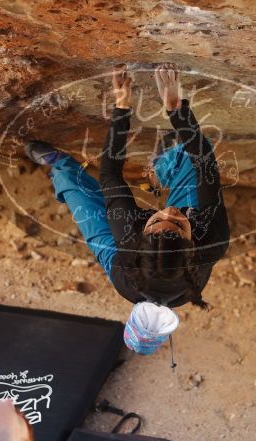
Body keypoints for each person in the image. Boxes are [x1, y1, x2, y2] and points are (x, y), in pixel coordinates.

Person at [25, 62, 230, 309]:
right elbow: (206, 164)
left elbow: (110, 175)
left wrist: (122, 107)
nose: (170, 211)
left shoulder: (127, 234)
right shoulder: (212, 240)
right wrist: (177, 110)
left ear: (142, 232)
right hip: (180, 261)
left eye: (156, 220)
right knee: (191, 154)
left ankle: (58, 165)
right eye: (178, 224)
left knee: (77, 192)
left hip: (122, 265)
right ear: (193, 246)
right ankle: (163, 168)